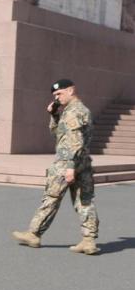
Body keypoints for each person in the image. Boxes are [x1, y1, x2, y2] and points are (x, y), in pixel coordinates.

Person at [13, 79, 100, 254]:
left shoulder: (74, 112)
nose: (57, 98)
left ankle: (34, 234)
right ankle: (89, 240)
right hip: (82, 161)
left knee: (51, 197)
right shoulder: (77, 110)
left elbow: (74, 141)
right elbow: (59, 135)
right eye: (54, 95)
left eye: (59, 93)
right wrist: (54, 115)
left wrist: (70, 166)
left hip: (67, 162)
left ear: (71, 90)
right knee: (85, 200)